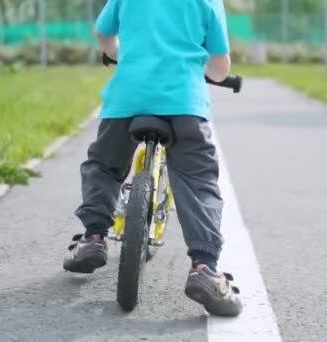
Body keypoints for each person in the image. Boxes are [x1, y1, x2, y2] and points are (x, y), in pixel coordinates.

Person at [63, 0, 242, 317]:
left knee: (103, 165)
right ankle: (205, 269)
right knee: (198, 182)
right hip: (184, 102)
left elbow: (104, 34)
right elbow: (220, 66)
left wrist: (118, 54)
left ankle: (92, 237)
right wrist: (206, 72)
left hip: (128, 99)